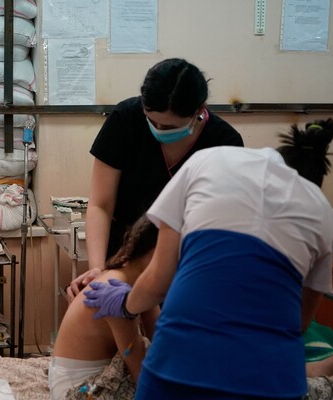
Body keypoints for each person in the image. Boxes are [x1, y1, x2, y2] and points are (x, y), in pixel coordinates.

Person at [83, 118, 333, 399]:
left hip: (180, 368)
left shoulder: (207, 163)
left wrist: (124, 305)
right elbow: (299, 322)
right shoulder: (323, 214)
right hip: (273, 377)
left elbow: (158, 281)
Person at [68, 58, 244, 301]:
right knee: (113, 304)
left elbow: (216, 224)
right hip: (122, 255)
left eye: (169, 127)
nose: (159, 130)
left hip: (185, 262)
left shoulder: (224, 143)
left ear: (199, 110)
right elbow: (101, 204)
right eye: (151, 120)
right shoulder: (125, 119)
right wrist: (97, 269)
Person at [49, 216, 160, 400]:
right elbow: (139, 370)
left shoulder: (134, 279)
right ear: (155, 254)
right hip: (78, 390)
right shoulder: (114, 293)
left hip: (71, 377)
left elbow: (160, 340)